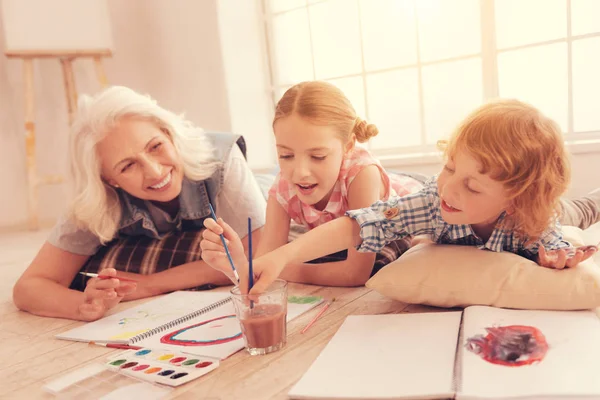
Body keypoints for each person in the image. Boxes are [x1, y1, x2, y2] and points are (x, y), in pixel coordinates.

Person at [205, 99, 600, 294]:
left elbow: (557, 243)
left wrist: (558, 256)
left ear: (514, 199)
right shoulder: (434, 201)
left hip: (552, 210)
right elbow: (356, 224)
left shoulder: (533, 217)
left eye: (472, 185)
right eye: (449, 167)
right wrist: (281, 256)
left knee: (579, 211)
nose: (450, 188)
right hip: (407, 193)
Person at [12, 86, 266, 321]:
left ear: (168, 133)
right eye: (128, 166)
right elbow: (30, 287)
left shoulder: (221, 158)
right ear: (108, 179)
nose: (155, 172)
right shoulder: (95, 196)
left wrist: (150, 283)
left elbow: (255, 256)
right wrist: (83, 305)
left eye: (155, 146)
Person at [201, 81, 422, 287]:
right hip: (334, 232)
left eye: (317, 156)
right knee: (312, 256)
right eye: (286, 155)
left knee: (384, 263)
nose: (300, 173)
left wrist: (281, 268)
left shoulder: (363, 175)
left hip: (400, 202)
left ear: (348, 146)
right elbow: (262, 267)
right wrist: (240, 262)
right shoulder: (283, 187)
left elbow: (355, 274)